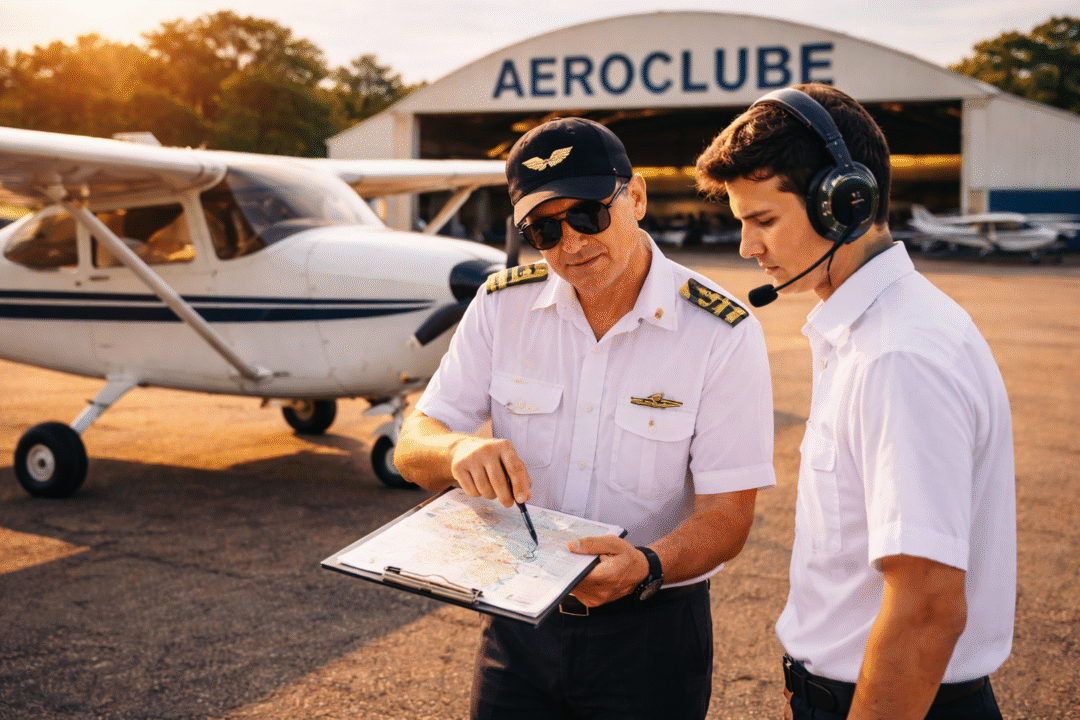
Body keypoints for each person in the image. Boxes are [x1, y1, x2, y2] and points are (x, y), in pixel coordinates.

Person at [394, 116, 776, 719]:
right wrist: (456, 450)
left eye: (589, 215)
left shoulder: (719, 332)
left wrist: (646, 565)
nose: (571, 243)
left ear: (637, 197)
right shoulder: (501, 306)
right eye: (544, 229)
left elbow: (727, 517)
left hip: (650, 634)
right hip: (518, 625)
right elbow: (414, 443)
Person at [695, 83, 1016, 720]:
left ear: (846, 203)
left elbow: (926, 606)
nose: (747, 247)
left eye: (764, 221)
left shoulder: (898, 356)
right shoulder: (872, 332)